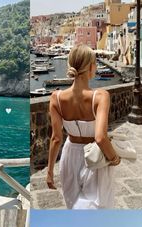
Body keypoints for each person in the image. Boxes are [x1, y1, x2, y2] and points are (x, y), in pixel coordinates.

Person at [47, 44, 121, 209]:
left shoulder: (56, 98)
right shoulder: (100, 96)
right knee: (98, 206)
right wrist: (114, 158)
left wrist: (50, 171)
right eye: (95, 63)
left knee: (73, 205)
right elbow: (100, 137)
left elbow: (56, 138)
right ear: (90, 67)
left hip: (69, 154)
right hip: (95, 156)